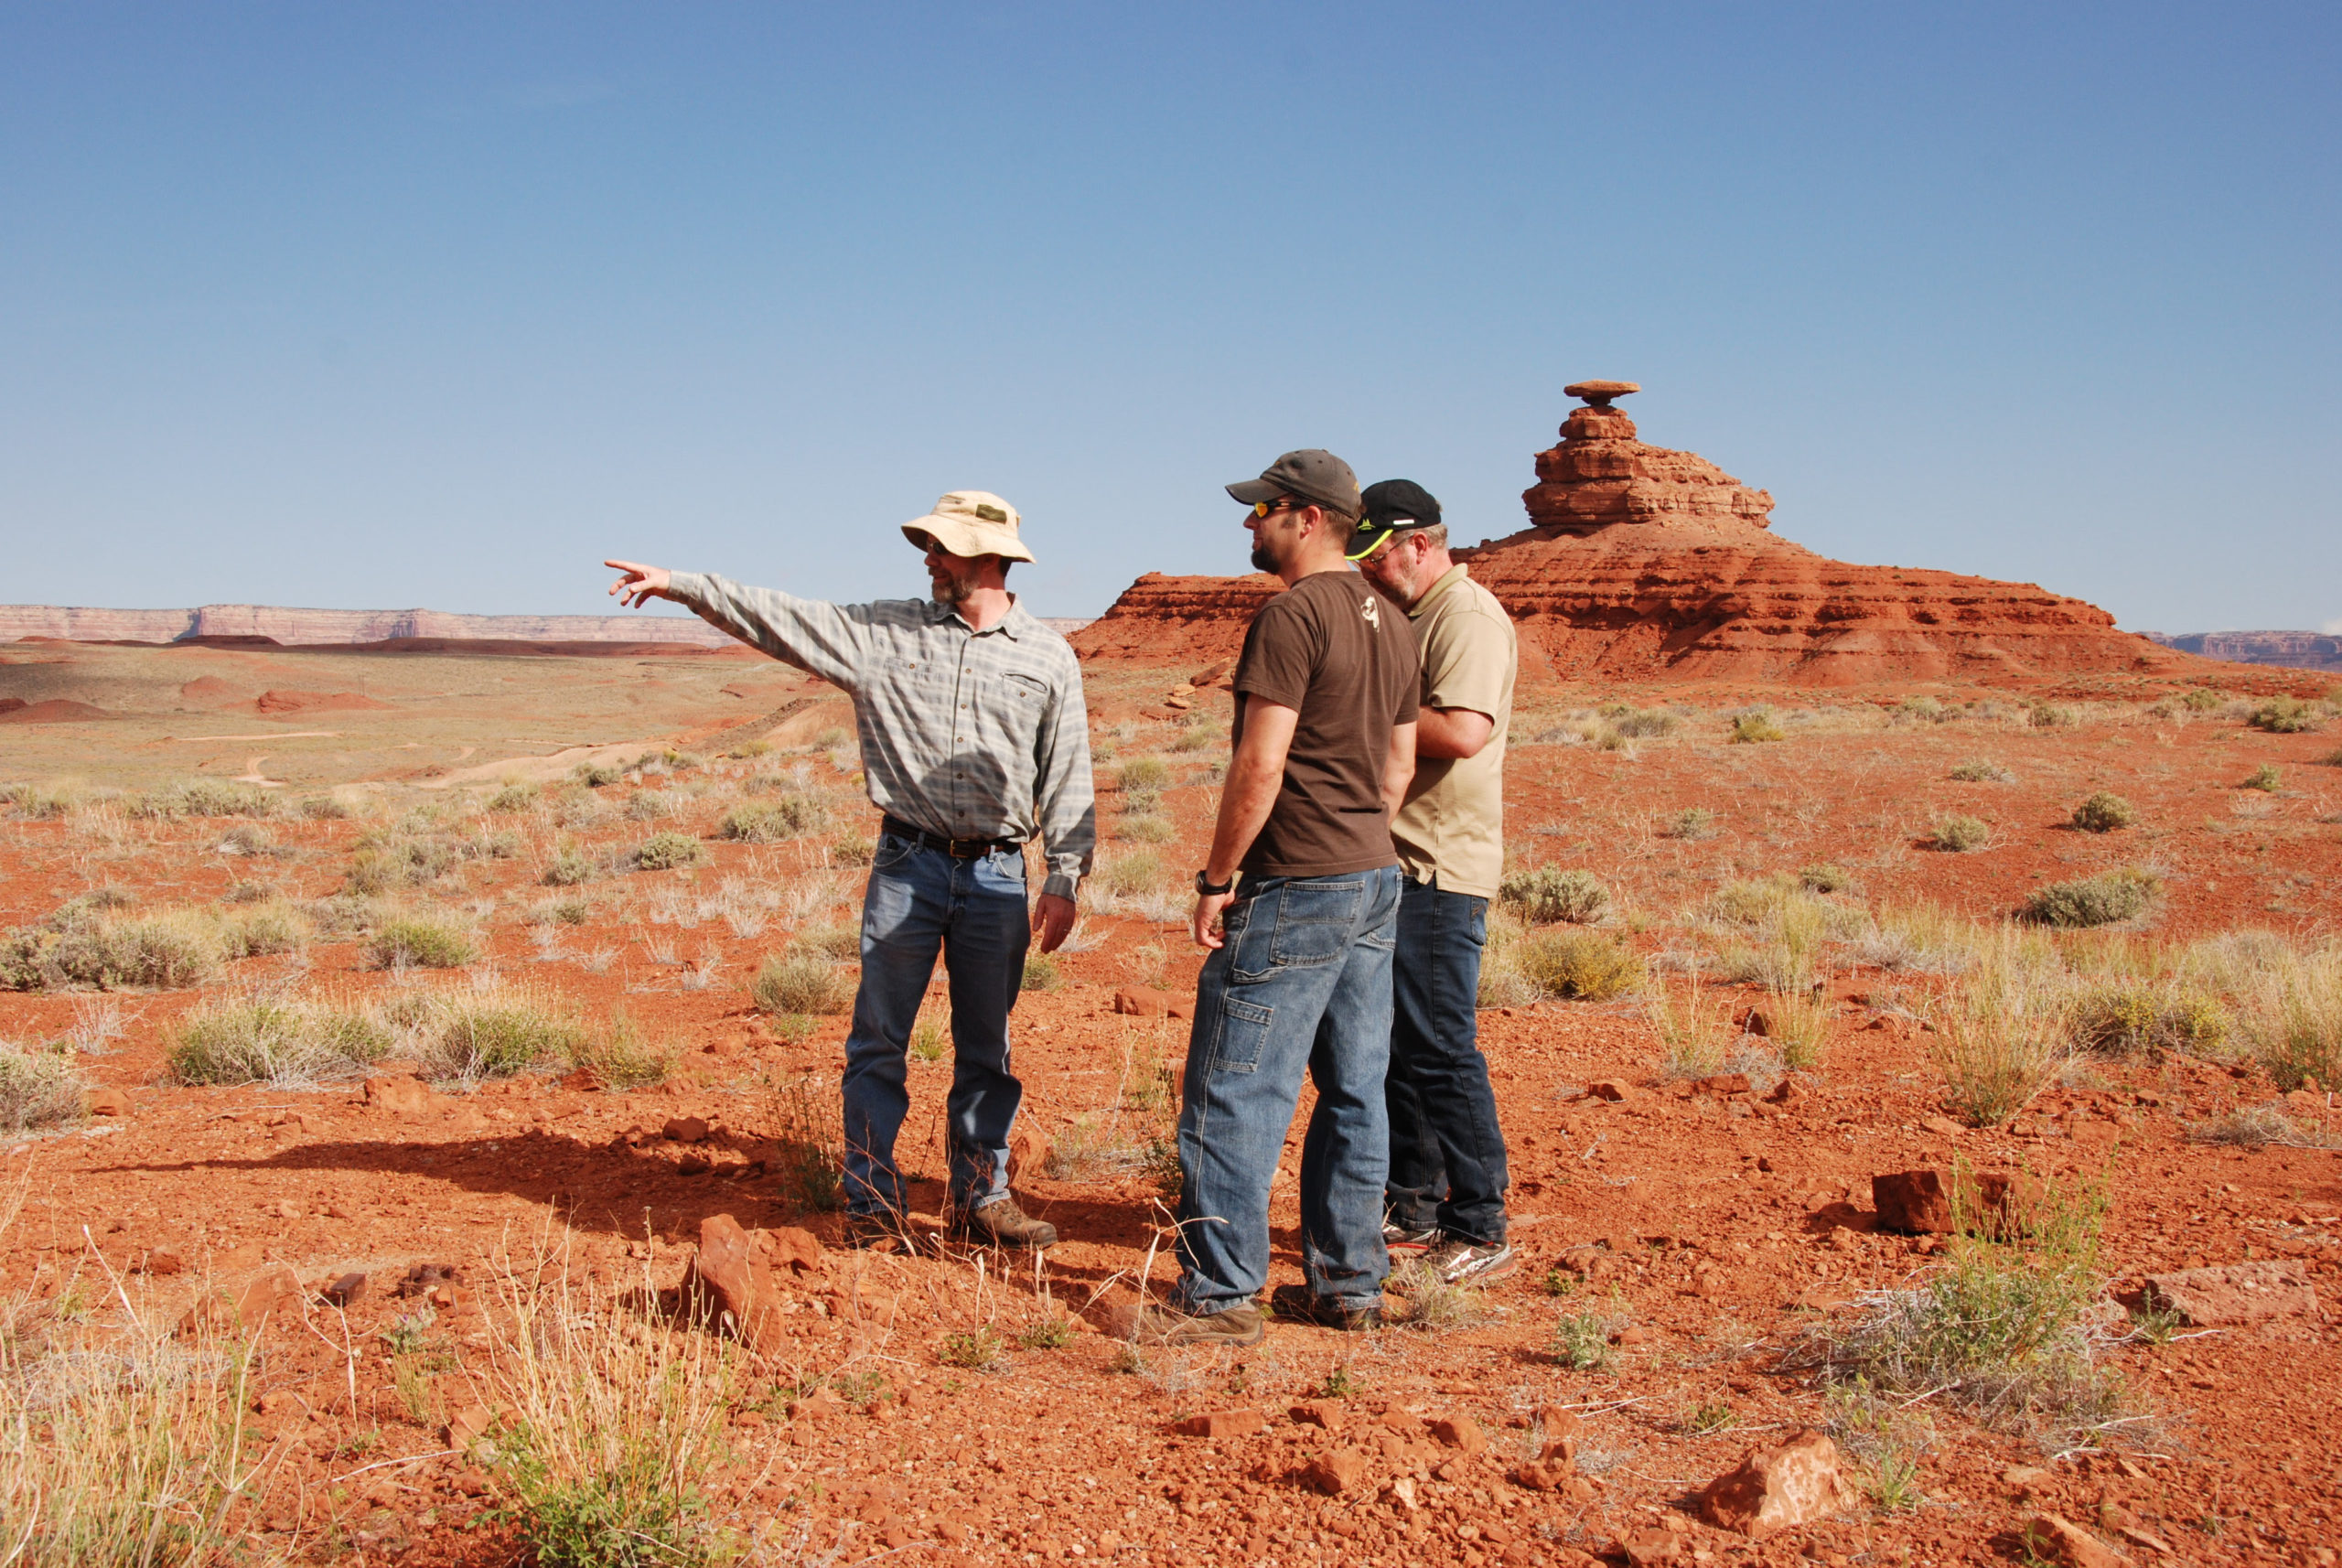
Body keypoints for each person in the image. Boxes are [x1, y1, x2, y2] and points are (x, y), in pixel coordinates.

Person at [605, 491, 1094, 1251]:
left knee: (986, 1047)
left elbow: (1067, 775)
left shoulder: (1048, 657)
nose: (928, 559)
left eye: (944, 548)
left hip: (999, 874)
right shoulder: (881, 633)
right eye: (929, 546)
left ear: (990, 558)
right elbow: (780, 616)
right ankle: (869, 1198)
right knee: (878, 1040)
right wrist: (682, 583)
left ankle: (981, 1198)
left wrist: (1065, 877)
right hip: (908, 864)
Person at [1133, 450, 1421, 1348]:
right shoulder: (1397, 620)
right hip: (1373, 878)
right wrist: (1358, 835)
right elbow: (1399, 765)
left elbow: (1259, 763)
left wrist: (1217, 880)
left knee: (1234, 1088)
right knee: (1354, 1090)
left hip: (1297, 882)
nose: (1246, 524)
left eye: (1259, 508)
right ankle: (1347, 1286)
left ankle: (1220, 1297)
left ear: (1303, 515)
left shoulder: (1292, 615)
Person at [1350, 479, 1520, 1285]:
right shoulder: (1416, 614)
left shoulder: (1468, 616)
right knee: (1396, 1047)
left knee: (1442, 1048)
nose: (1372, 571)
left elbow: (1463, 731)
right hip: (1400, 858)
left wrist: (1366, 699)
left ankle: (1480, 1222)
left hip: (1441, 867)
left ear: (1419, 543)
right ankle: (1413, 1204)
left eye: (1379, 554)